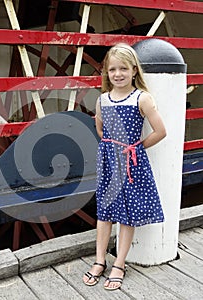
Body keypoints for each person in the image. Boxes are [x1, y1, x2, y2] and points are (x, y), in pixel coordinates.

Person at [82, 43, 166, 290]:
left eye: (123, 69)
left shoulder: (142, 98)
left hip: (130, 164)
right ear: (106, 73)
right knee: (104, 212)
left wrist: (135, 148)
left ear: (134, 71)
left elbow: (160, 131)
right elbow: (100, 129)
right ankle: (100, 260)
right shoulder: (103, 100)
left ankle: (119, 262)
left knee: (127, 214)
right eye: (112, 70)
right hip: (109, 163)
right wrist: (111, 147)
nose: (117, 74)